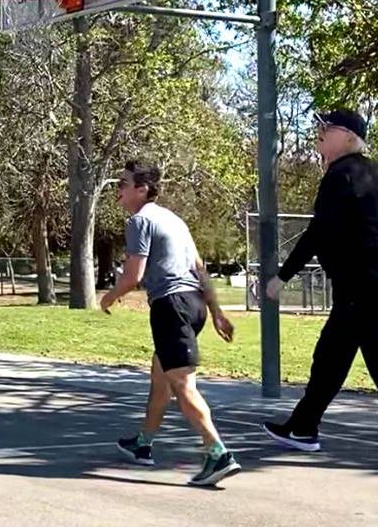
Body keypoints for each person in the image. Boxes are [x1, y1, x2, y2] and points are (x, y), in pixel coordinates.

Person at [101, 160, 241, 487]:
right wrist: (216, 311)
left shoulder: (139, 221)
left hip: (171, 305)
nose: (118, 189)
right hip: (193, 304)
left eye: (123, 183)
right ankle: (143, 442)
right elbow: (199, 267)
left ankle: (217, 452)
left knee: (182, 385)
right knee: (160, 376)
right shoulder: (174, 220)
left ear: (142, 189)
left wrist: (109, 297)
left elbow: (134, 275)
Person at [262, 108, 378, 452]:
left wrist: (281, 277)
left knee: (341, 357)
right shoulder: (370, 174)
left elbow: (318, 233)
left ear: (348, 137)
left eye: (326, 128)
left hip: (361, 287)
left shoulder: (341, 174)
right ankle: (302, 427)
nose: (320, 133)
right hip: (363, 287)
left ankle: (303, 427)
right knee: (331, 358)